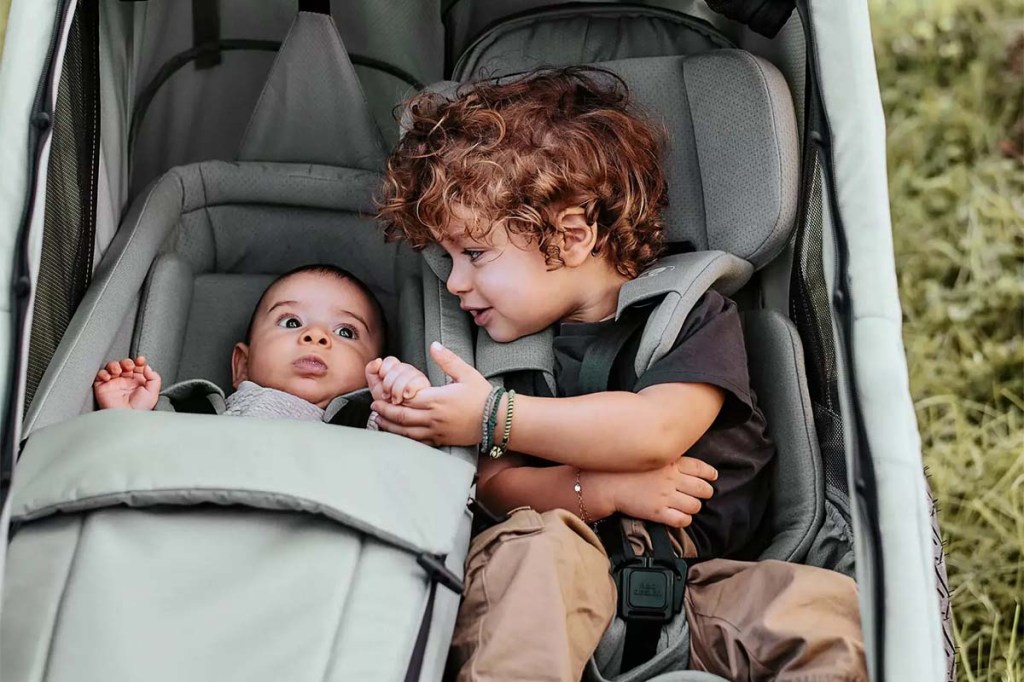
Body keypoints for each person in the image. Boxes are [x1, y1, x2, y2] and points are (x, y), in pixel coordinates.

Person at [370, 67, 867, 681]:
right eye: (448, 259)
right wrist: (599, 492)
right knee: (528, 556)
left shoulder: (692, 317)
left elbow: (655, 431)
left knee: (834, 616)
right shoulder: (488, 360)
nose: (454, 282)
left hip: (705, 589)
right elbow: (497, 488)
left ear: (572, 236)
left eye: (473, 254)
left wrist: (494, 417)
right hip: (556, 582)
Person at [94, 264, 415, 425]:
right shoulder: (198, 414)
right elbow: (147, 465)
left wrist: (406, 396)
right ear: (242, 365)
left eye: (346, 331)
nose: (316, 337)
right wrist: (130, 416)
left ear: (377, 370)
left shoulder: (373, 426)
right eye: (292, 322)